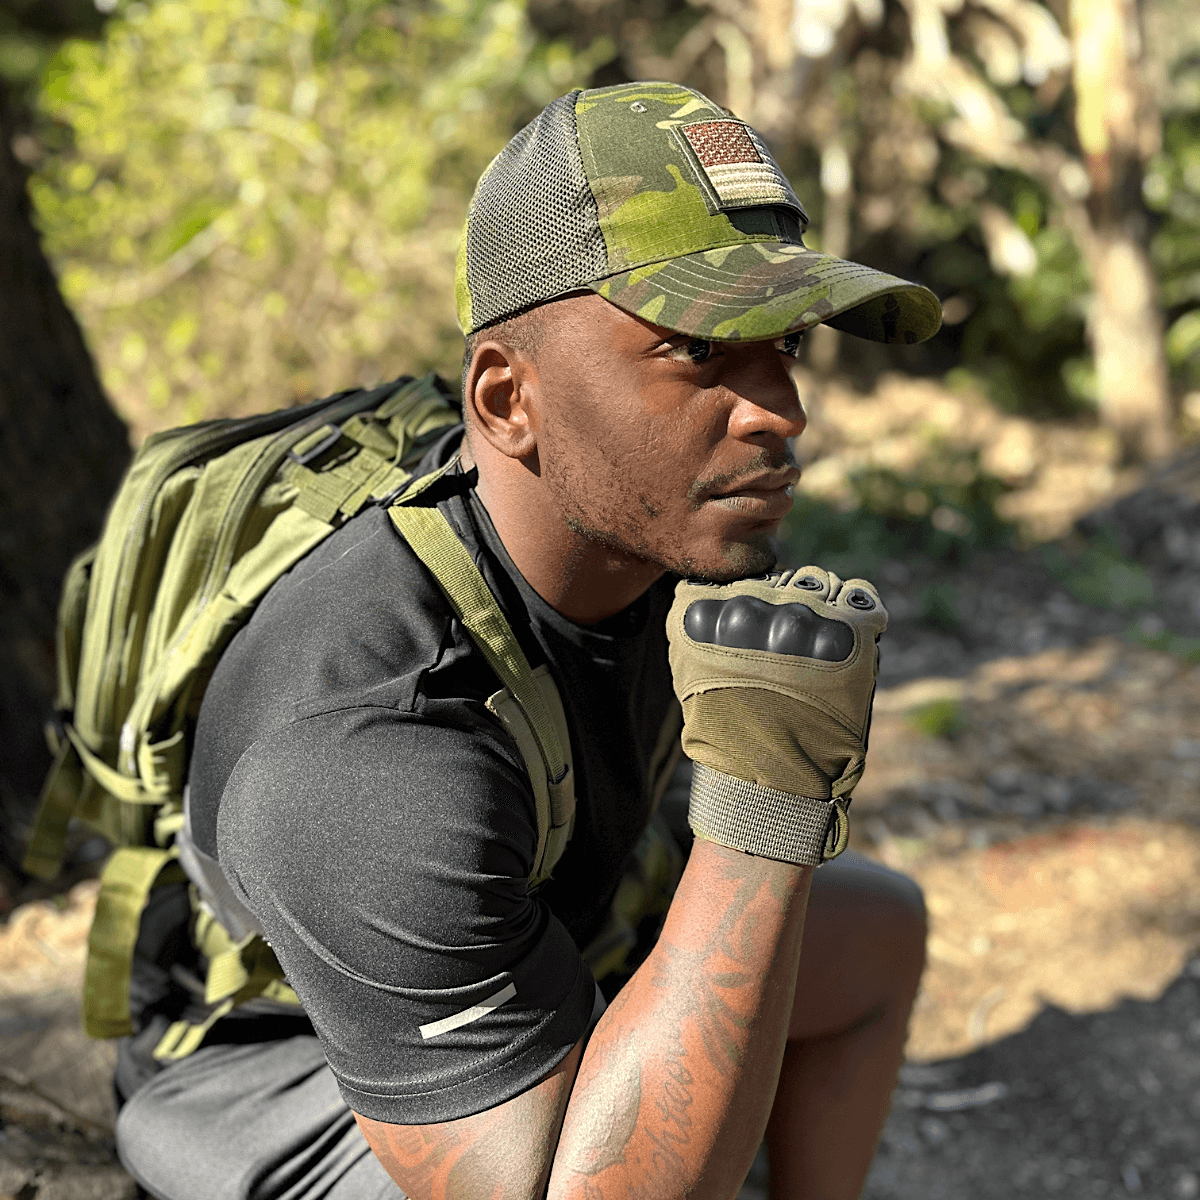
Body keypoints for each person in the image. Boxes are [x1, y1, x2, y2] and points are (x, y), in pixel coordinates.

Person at [113, 80, 940, 1200]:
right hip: (296, 1067)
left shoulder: (641, 531)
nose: (781, 409)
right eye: (701, 352)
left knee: (880, 934)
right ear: (508, 402)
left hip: (549, 934)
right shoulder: (367, 745)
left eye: (784, 341)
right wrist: (766, 807)